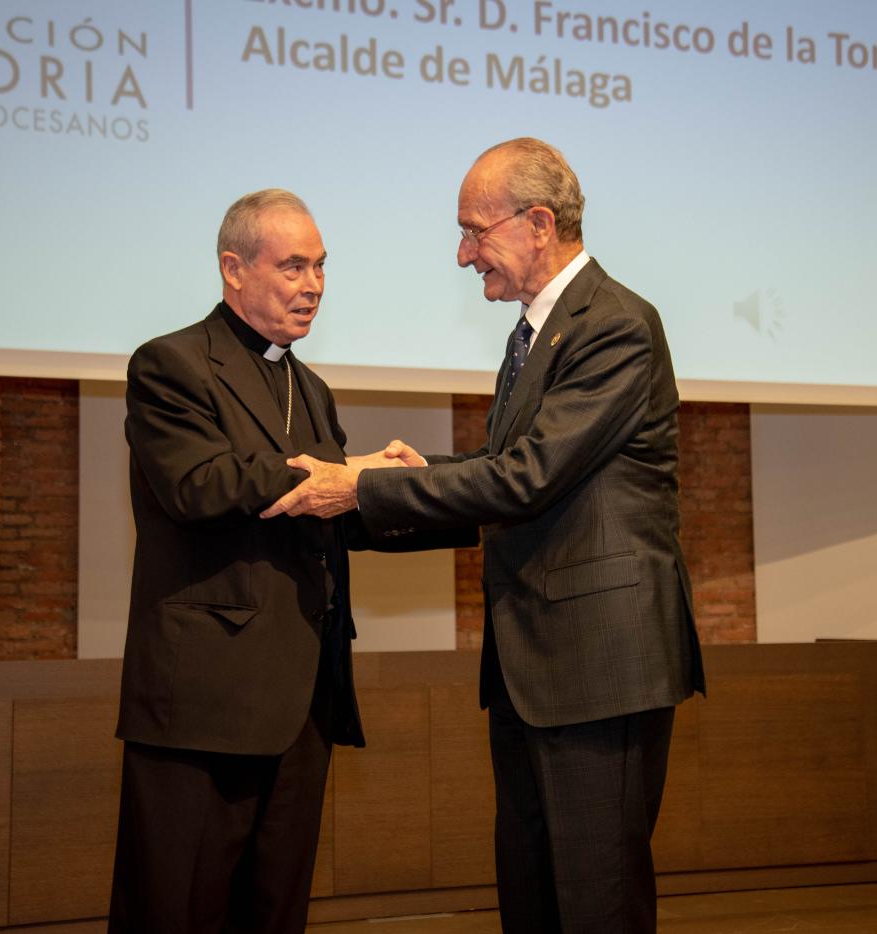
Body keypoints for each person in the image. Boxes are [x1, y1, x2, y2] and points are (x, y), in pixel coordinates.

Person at [264, 138, 706, 932]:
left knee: (595, 901)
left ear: (539, 223)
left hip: (600, 666)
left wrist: (366, 485)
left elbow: (528, 478)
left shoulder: (615, 325)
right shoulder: (533, 335)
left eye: (476, 230)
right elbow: (514, 473)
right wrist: (414, 472)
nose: (463, 254)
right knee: (534, 896)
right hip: (538, 666)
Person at [110, 189, 454, 933]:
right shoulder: (171, 365)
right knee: (178, 910)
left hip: (302, 700)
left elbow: (334, 517)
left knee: (274, 914)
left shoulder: (311, 387)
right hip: (206, 699)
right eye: (293, 266)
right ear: (233, 268)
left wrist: (429, 494)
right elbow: (199, 486)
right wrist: (339, 477)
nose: (314, 285)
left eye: (322, 266)